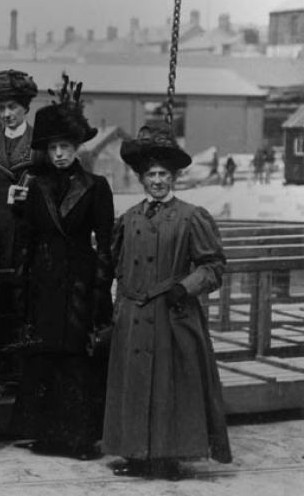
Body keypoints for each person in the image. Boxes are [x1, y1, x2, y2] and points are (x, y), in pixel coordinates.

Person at [103, 123, 232, 480]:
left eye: (163, 174)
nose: (157, 181)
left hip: (171, 313)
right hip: (133, 314)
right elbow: (116, 265)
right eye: (150, 175)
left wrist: (186, 286)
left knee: (169, 384)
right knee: (135, 383)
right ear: (141, 179)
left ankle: (168, 455)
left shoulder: (191, 217)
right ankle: (136, 454)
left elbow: (213, 265)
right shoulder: (128, 219)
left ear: (174, 177)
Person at [10, 75, 114, 460]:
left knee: (77, 361)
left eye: (66, 146)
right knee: (45, 358)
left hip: (79, 282)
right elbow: (26, 241)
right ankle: (46, 435)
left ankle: (80, 438)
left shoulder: (96, 186)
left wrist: (101, 292)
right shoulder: (33, 187)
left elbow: (105, 244)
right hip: (43, 280)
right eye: (53, 147)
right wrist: (23, 289)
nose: (59, 154)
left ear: (77, 147)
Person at [0, 70, 41, 376]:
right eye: (1, 108)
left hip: (30, 235)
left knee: (27, 302)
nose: (7, 114)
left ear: (25, 108)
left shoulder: (40, 147)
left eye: (12, 108)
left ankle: (23, 374)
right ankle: (0, 372)